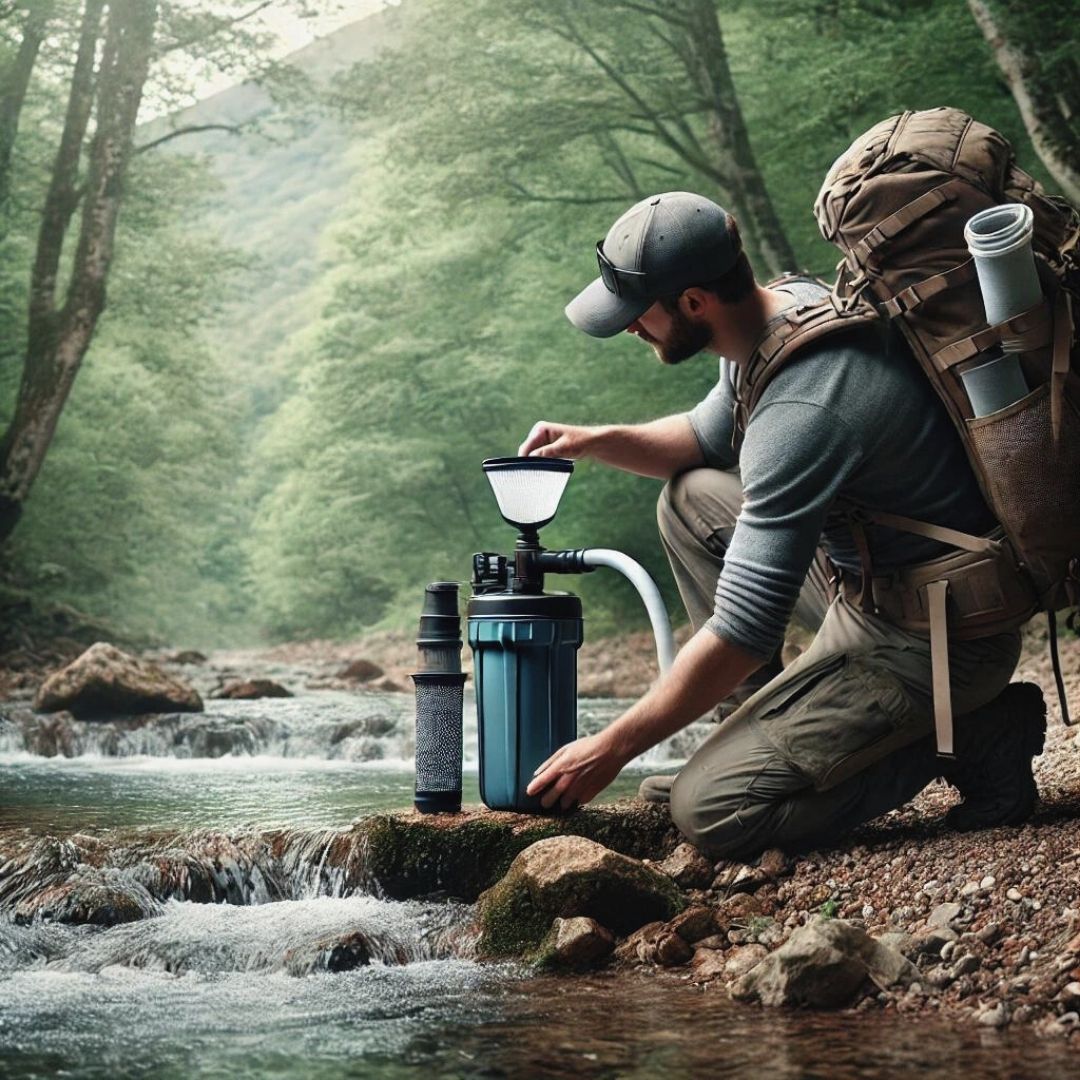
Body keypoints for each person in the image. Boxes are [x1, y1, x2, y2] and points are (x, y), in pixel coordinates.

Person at [522, 191, 1046, 861]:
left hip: (936, 637)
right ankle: (754, 732)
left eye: (636, 312)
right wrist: (594, 439)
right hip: (877, 580)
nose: (629, 329)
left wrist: (611, 746)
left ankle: (974, 737)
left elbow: (743, 632)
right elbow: (700, 440)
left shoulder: (801, 410)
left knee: (710, 811)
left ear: (692, 303)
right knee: (690, 499)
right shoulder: (779, 313)